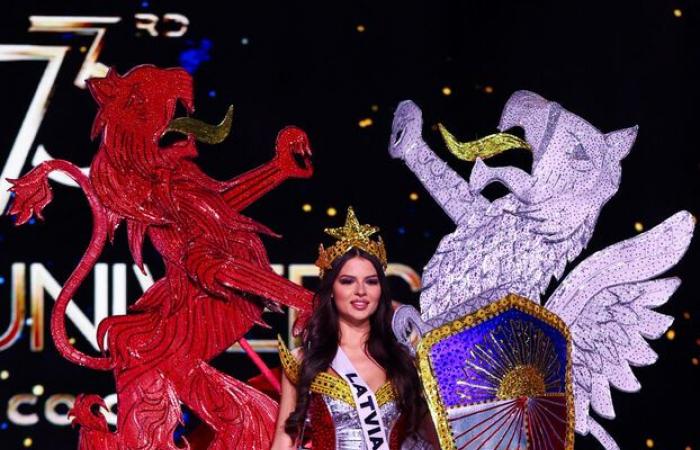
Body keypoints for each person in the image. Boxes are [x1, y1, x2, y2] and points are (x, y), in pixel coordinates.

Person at [271, 207, 435, 450]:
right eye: (347, 281)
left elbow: (432, 435)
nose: (361, 291)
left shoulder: (404, 361)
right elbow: (284, 440)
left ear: (381, 290)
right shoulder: (305, 361)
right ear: (331, 290)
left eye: (371, 281)